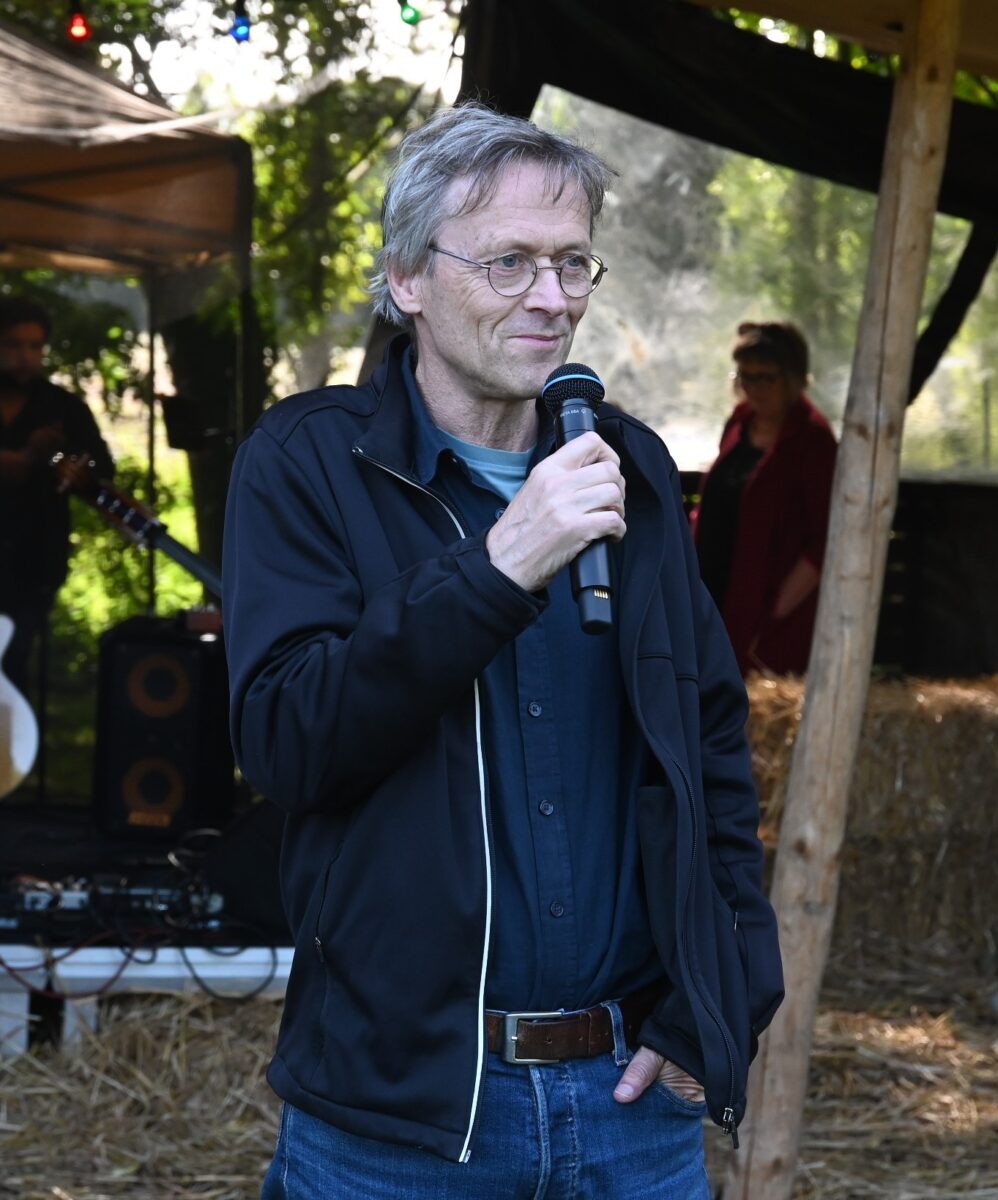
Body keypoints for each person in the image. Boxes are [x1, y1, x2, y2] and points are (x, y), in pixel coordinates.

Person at [223, 103, 783, 1199]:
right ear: (408, 278)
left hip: (629, 1107)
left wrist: (724, 996)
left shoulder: (626, 467)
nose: (551, 298)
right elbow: (289, 743)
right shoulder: (309, 463)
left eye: (573, 263)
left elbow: (709, 744)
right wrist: (498, 566)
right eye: (509, 262)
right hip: (400, 1119)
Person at [691, 321, 837, 676]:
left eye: (766, 378)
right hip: (712, 593)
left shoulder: (814, 440)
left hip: (768, 615)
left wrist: (773, 614)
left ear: (794, 378)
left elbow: (824, 541)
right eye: (746, 376)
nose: (754, 388)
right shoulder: (740, 421)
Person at [0, 297, 114, 699]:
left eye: (34, 346)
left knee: (15, 663)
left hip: (34, 559)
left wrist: (74, 468)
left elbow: (100, 468)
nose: (25, 356)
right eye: (13, 344)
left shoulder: (62, 407)